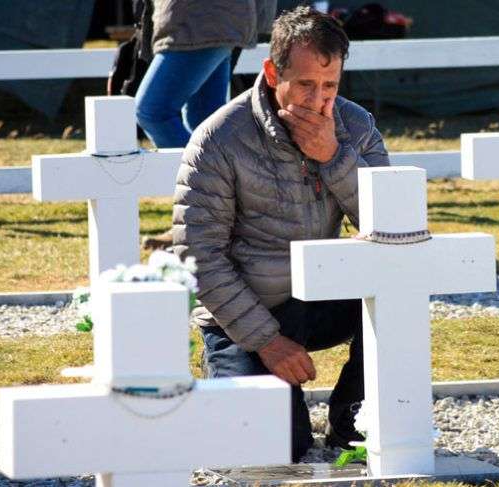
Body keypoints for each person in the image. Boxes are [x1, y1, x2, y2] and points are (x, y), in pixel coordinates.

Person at [172, 6, 389, 461]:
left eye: (330, 86)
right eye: (306, 85)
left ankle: (354, 419)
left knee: (398, 289)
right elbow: (198, 257)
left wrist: (335, 157)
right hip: (243, 317)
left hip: (321, 296)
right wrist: (267, 342)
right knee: (276, 452)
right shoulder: (218, 139)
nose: (319, 102)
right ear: (273, 73)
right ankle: (229, 370)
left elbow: (392, 227)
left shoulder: (355, 125)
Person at [135, 0, 277, 148]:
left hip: (196, 20)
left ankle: (202, 169)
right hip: (218, 20)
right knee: (204, 120)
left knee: (153, 113)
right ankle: (215, 168)